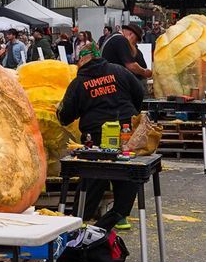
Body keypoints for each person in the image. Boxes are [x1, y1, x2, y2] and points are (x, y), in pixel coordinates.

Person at [57, 41, 148, 230]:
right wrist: (130, 115)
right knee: (126, 169)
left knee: (94, 174)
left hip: (96, 134)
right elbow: (139, 93)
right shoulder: (119, 71)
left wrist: (60, 112)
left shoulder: (79, 83)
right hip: (126, 130)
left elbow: (66, 115)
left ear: (83, 59)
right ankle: (120, 215)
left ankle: (81, 218)